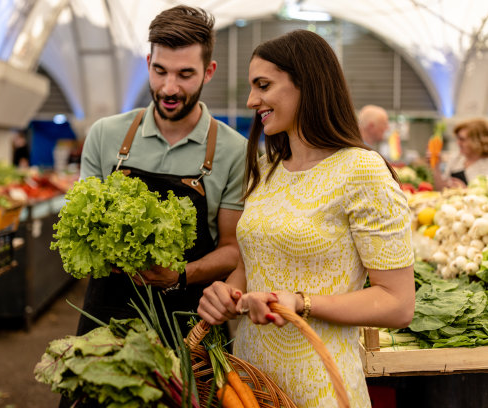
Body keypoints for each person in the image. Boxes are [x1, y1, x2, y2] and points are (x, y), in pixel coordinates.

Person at [197, 30, 415, 408]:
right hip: (250, 385)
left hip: (321, 385)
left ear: (307, 84)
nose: (252, 100)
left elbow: (398, 303)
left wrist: (301, 302)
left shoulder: (362, 171)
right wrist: (227, 295)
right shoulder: (265, 169)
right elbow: (253, 268)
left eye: (263, 85)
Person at [75, 5, 246, 342]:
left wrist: (180, 274)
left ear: (208, 71)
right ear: (147, 64)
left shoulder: (233, 150)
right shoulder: (105, 135)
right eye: (160, 71)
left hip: (190, 323)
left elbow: (232, 249)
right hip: (109, 318)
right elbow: (82, 226)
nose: (169, 88)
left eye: (185, 74)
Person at [431, 118, 488, 190]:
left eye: (462, 139)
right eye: (457, 139)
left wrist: (465, 190)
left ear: (477, 141)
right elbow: (441, 189)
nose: (458, 143)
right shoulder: (456, 158)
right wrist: (436, 166)